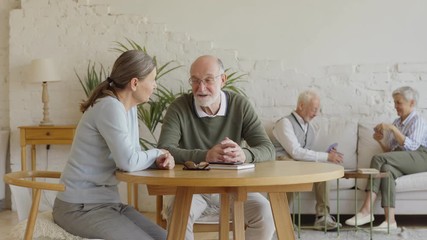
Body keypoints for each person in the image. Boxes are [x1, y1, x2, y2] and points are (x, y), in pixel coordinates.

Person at [52, 50, 175, 240]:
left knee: (167, 238)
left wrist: (155, 160)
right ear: (134, 83)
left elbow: (129, 157)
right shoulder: (109, 106)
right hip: (79, 207)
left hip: (107, 203)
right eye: (152, 80)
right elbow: (128, 162)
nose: (155, 86)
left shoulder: (128, 109)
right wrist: (159, 151)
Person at [157, 55, 276, 240]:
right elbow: (164, 149)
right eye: (195, 81)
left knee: (265, 212)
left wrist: (243, 154)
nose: (201, 88)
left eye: (208, 80)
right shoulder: (179, 107)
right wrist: (206, 156)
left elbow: (268, 149)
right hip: (193, 189)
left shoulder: (240, 105)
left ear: (223, 79)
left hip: (234, 188)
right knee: (179, 212)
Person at [345, 86, 427, 231]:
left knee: (378, 159)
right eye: (395, 102)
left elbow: (412, 146)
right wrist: (380, 140)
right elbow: (390, 153)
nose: (395, 106)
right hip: (405, 158)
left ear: (412, 103)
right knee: (386, 169)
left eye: (399, 103)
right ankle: (390, 221)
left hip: (421, 157)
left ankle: (366, 210)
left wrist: (393, 129)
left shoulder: (417, 120)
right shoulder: (397, 122)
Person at [272, 89, 343, 231]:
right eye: (314, 109)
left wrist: (325, 155)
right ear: (301, 106)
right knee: (291, 167)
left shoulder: (309, 128)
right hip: (281, 161)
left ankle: (323, 217)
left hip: (298, 163)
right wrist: (326, 157)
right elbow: (295, 152)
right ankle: (281, 219)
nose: (316, 114)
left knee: (322, 169)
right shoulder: (285, 123)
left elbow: (305, 153)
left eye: (317, 110)